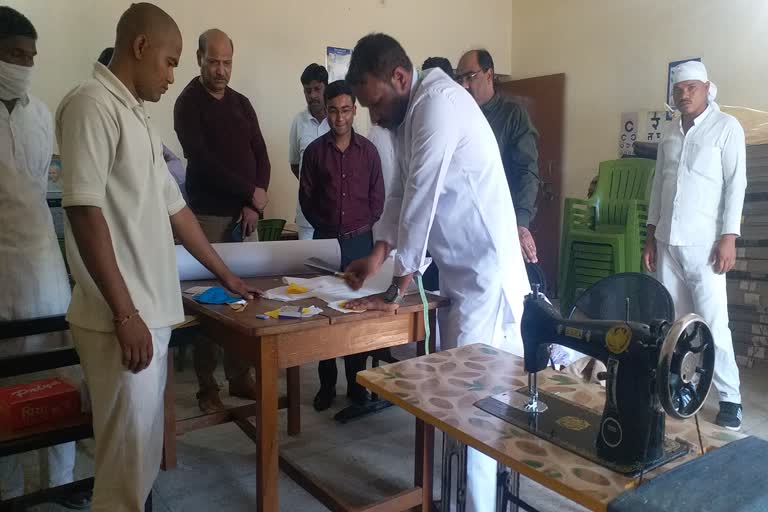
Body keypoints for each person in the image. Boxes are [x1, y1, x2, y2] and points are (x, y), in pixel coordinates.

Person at [56, 4, 259, 509]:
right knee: (124, 469)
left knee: (141, 461)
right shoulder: (91, 105)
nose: (173, 75)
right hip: (120, 321)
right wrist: (125, 313)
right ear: (140, 47)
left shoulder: (137, 118)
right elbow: (83, 213)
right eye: (170, 62)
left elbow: (178, 212)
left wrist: (228, 275)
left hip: (147, 315)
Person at [343, 33, 530, 512]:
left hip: (487, 278)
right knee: (459, 401)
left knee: (475, 409)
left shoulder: (439, 105)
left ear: (400, 78)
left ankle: (476, 507)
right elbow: (401, 194)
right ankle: (456, 500)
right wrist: (379, 253)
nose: (374, 116)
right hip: (459, 276)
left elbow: (422, 199)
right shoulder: (411, 115)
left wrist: (396, 284)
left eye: (376, 102)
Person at [0, 7, 90, 509]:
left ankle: (61, 481)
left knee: (59, 379)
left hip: (43, 267)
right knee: (2, 390)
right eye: (14, 54)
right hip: (0, 271)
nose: (23, 65)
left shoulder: (40, 114)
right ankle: (9, 488)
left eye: (30, 57)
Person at [644, 61, 746, 431]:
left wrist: (729, 237)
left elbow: (737, 185)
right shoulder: (670, 133)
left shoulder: (726, 128)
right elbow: (658, 185)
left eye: (691, 88)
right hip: (667, 242)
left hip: (705, 246)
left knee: (714, 324)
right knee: (675, 325)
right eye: (678, 90)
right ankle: (680, 388)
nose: (684, 95)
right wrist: (650, 233)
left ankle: (730, 397)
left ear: (707, 88)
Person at [174, 28, 271, 412]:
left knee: (246, 300)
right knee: (210, 307)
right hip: (207, 219)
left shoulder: (242, 103)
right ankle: (206, 388)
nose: (220, 69)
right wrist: (250, 192)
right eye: (213, 61)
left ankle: (239, 376)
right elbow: (203, 162)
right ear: (199, 58)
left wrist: (255, 203)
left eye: (227, 62)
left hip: (244, 218)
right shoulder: (188, 103)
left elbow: (261, 153)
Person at [299, 80, 384, 411]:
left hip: (361, 242)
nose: (339, 118)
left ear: (354, 111)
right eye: (333, 111)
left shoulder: (369, 152)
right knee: (325, 313)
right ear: (327, 112)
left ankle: (356, 385)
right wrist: (327, 227)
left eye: (345, 110)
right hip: (326, 240)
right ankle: (326, 386)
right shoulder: (316, 153)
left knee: (355, 315)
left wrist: (363, 228)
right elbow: (306, 197)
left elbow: (378, 198)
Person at [456, 49, 540, 264]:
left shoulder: (513, 115)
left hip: (501, 224)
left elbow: (526, 171)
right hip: (463, 226)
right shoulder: (457, 115)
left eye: (470, 77)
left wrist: (521, 223)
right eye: (460, 79)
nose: (464, 85)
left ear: (489, 74)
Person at [98, 46, 187, 201]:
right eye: (168, 63)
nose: (170, 78)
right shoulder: (95, 113)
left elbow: (174, 172)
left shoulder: (143, 120)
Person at [289, 63, 330, 240]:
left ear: (325, 88)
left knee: (334, 264)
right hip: (307, 215)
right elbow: (295, 165)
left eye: (317, 89)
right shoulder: (299, 122)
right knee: (306, 264)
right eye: (307, 90)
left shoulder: (341, 120)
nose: (312, 95)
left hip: (335, 213)